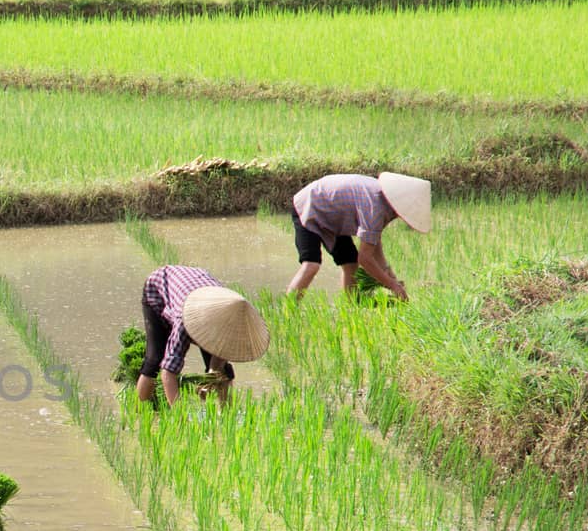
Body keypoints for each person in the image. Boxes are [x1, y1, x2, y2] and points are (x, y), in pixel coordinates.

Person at [137, 265, 270, 408]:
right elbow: (168, 372)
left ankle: (226, 414)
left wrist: (212, 375)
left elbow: (220, 363)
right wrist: (180, 418)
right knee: (154, 360)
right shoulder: (185, 321)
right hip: (159, 289)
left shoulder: (231, 318)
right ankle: (139, 410)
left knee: (222, 372)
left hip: (197, 285)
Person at [285, 172, 432, 300]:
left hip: (333, 216)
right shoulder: (376, 207)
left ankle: (352, 307)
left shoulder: (383, 201)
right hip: (310, 206)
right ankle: (288, 312)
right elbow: (365, 259)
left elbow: (374, 244)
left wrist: (389, 274)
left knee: (350, 264)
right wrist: (393, 286)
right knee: (311, 265)